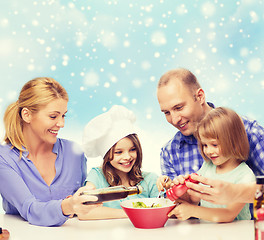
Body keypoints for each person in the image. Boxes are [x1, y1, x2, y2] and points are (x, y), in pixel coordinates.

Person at [0, 77, 99, 227]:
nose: (61, 123)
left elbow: (83, 206)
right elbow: (30, 209)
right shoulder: (5, 158)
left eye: (63, 115)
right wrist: (69, 205)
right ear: (26, 115)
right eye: (53, 116)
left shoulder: (75, 154)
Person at [156, 68, 264, 202]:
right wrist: (177, 193)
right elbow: (176, 208)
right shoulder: (170, 152)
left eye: (179, 108)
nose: (174, 120)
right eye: (166, 112)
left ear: (200, 96)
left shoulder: (250, 132)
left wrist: (234, 192)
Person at [167, 107, 256, 222]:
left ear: (234, 142)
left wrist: (192, 210)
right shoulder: (207, 166)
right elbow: (194, 198)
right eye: (205, 145)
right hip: (208, 233)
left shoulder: (245, 175)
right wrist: (182, 190)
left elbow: (228, 214)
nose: (208, 151)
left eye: (214, 145)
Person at [79, 105, 160, 220]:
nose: (127, 157)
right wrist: (132, 213)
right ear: (107, 155)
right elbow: (84, 211)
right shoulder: (97, 176)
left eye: (132, 149)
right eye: (118, 152)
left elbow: (163, 209)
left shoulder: (150, 180)